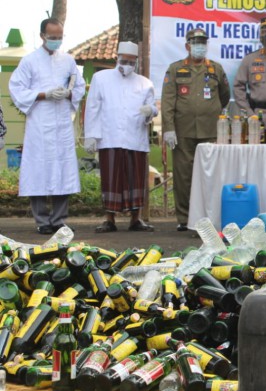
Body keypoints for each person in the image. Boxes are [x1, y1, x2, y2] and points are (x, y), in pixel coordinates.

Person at [8, 18, 85, 234]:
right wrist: (43, 94)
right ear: (42, 35)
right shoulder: (29, 61)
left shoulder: (68, 61)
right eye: (52, 37)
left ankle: (59, 220)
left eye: (59, 37)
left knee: (62, 169)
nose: (56, 41)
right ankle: (42, 220)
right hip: (40, 123)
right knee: (39, 170)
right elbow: (16, 88)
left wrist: (69, 93)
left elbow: (78, 86)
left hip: (61, 122)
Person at [84, 41, 158, 233]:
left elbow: (152, 107)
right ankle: (109, 219)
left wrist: (150, 110)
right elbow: (92, 108)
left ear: (136, 62)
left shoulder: (144, 82)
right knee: (111, 180)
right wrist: (91, 135)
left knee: (136, 179)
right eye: (124, 60)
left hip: (135, 138)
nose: (127, 65)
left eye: (131, 62)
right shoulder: (101, 78)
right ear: (117, 58)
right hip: (109, 137)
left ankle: (136, 219)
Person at [161, 28, 230, 231]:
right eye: (195, 43)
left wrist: (212, 110)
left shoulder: (216, 69)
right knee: (184, 176)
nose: (200, 47)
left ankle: (209, 216)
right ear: (187, 46)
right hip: (183, 131)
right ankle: (184, 218)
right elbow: (167, 101)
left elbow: (224, 96)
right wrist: (168, 129)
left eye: (203, 43)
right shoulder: (175, 69)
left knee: (211, 174)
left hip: (211, 131)